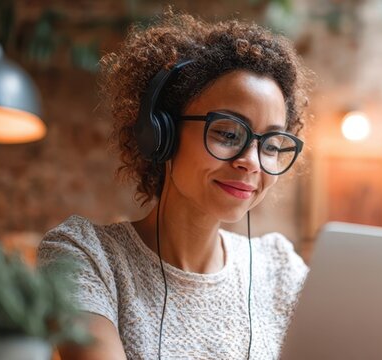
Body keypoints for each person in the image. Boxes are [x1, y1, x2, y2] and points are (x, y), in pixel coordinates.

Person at [37, 11, 313, 359]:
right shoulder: (85, 255)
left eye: (271, 145)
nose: (252, 162)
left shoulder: (280, 268)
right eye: (228, 134)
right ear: (161, 133)